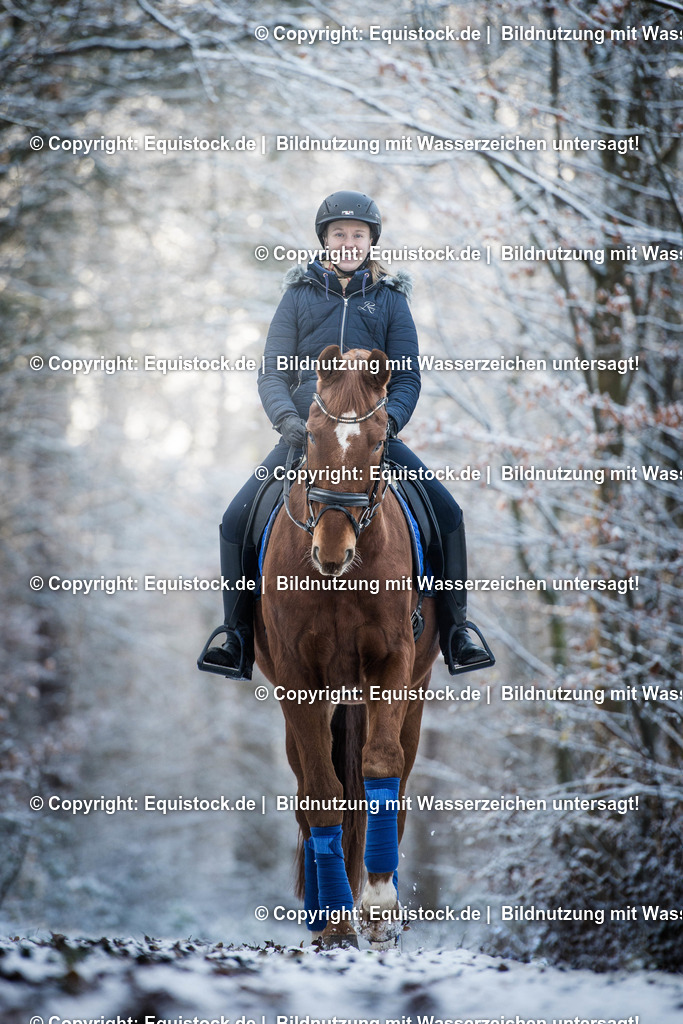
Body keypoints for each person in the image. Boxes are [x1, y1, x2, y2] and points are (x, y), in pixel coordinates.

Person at [197, 189, 493, 680]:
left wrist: (388, 424)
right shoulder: (298, 295)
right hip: (306, 437)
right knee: (235, 519)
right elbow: (272, 372)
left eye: (358, 234)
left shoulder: (391, 299)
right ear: (325, 240)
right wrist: (287, 421)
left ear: (371, 240)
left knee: (448, 513)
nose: (349, 242)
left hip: (374, 438)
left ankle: (457, 630)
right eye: (339, 234)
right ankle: (237, 635)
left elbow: (408, 378)